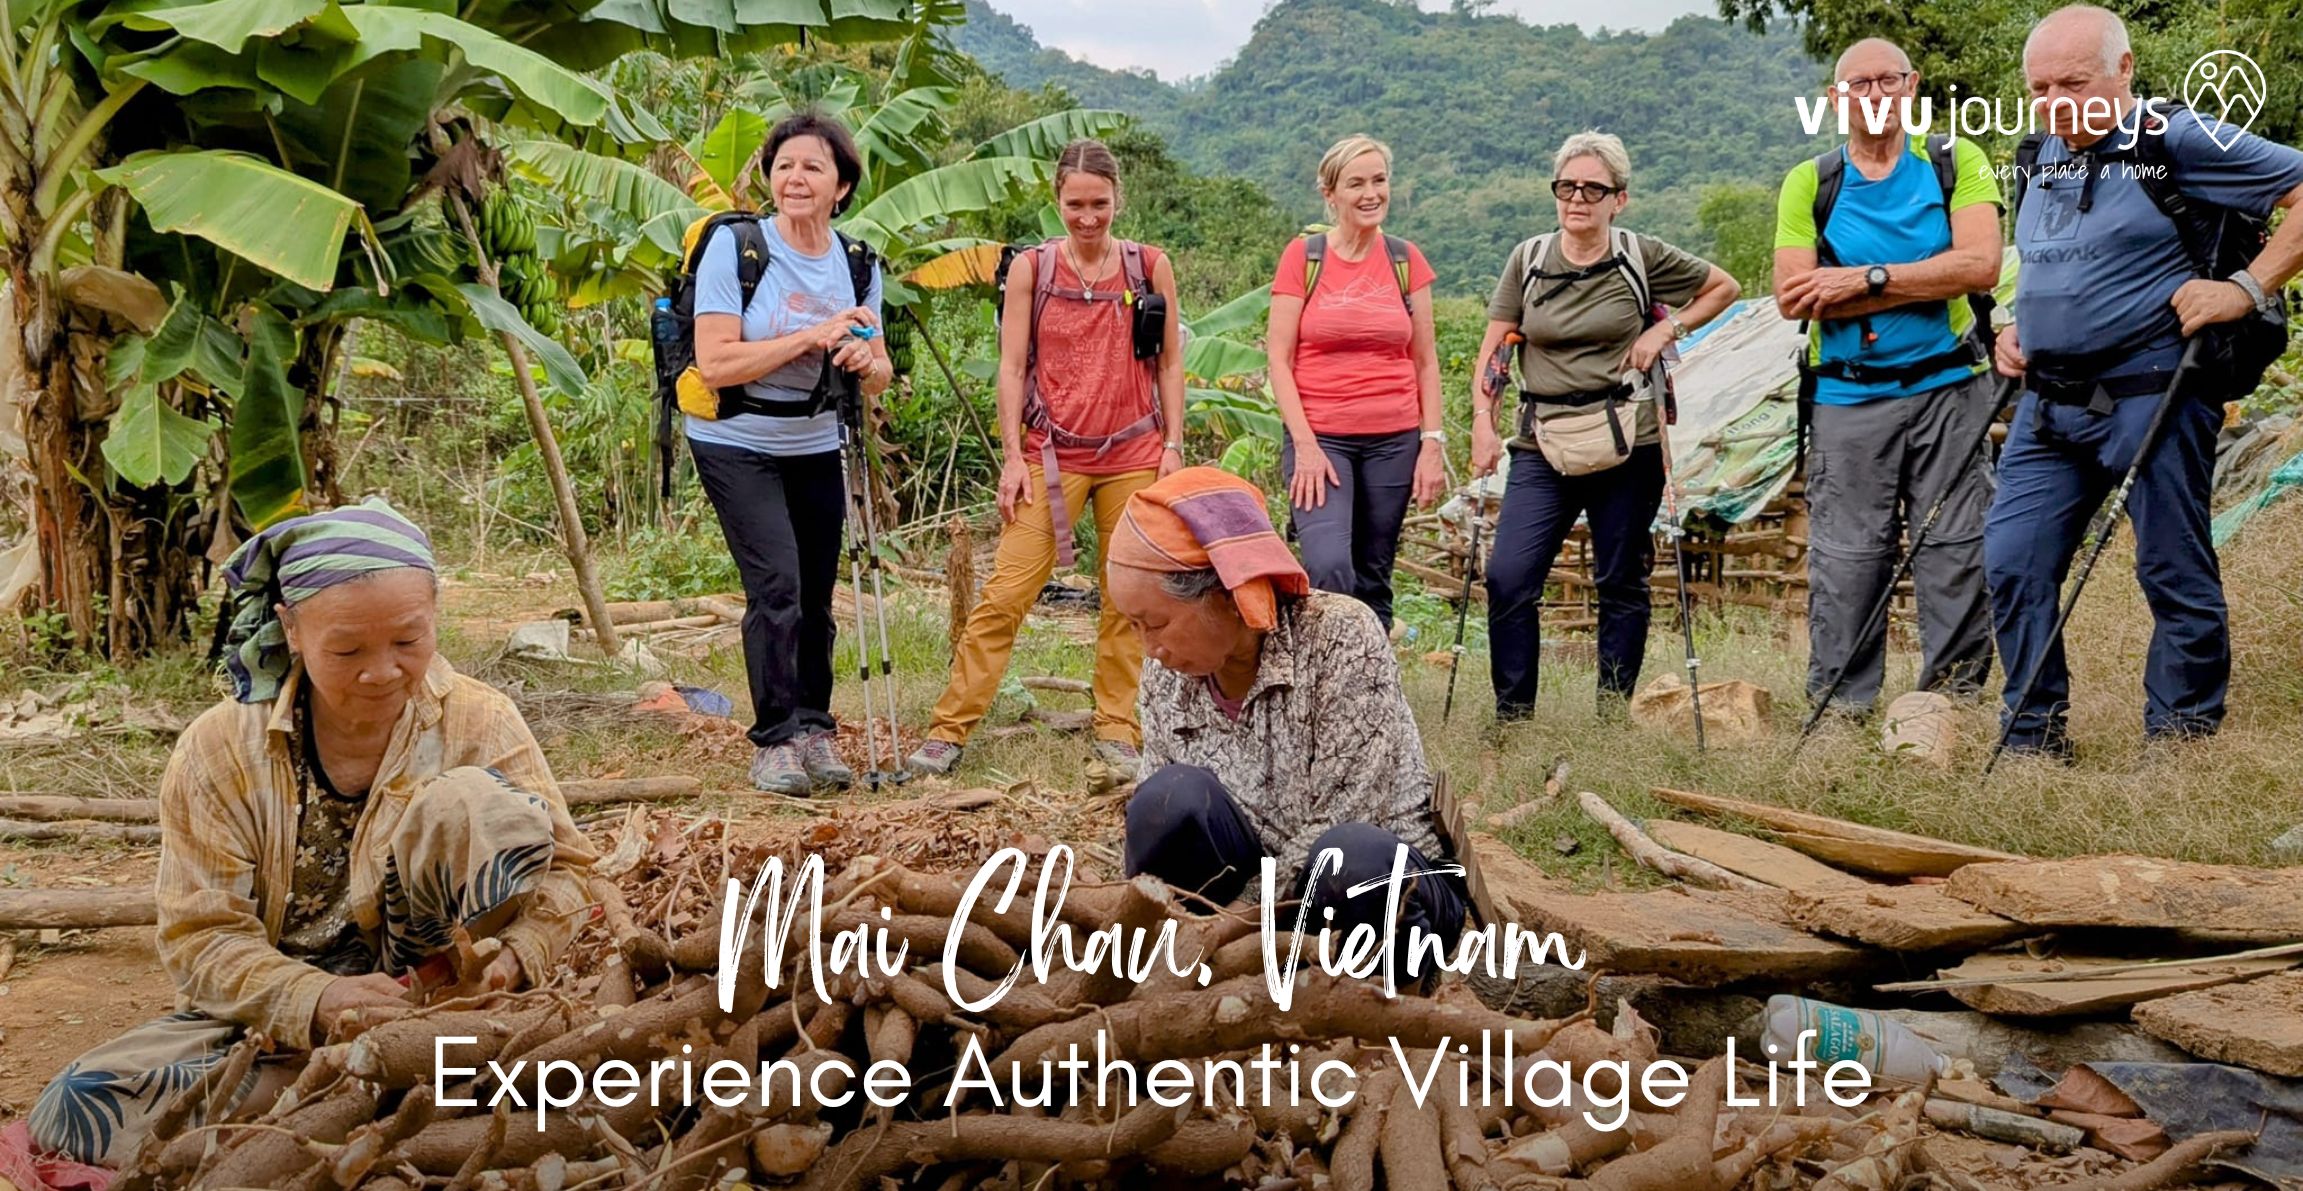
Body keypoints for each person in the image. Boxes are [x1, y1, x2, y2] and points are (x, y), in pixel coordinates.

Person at [28, 501, 594, 1167]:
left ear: (436, 617)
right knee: (76, 1105)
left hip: (457, 999)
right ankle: (372, 1096)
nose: (382, 671)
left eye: (409, 642)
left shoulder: (481, 720)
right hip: (284, 1024)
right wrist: (319, 998)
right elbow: (200, 936)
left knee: (472, 800)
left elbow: (570, 872)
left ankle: (414, 1073)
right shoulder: (219, 749)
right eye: (348, 649)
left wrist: (517, 952)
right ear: (290, 630)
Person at [1984, 5, 2303, 756]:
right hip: (2047, 400)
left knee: (2168, 564)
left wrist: (2245, 288)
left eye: (2072, 82)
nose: (2055, 102)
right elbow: (2043, 258)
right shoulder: (2037, 153)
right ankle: (2031, 741)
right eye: (2038, 87)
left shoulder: (2177, 139)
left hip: (2153, 388)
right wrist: (2015, 324)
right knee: (2010, 561)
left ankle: (2178, 742)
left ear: (2122, 71)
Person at [1108, 467, 1467, 978]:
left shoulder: (1341, 636)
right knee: (1168, 800)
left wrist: (1233, 925)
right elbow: (1161, 820)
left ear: (1230, 596)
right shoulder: (1167, 671)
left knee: (1349, 860)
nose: (1149, 647)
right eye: (1135, 627)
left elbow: (1349, 812)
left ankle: (1374, 998)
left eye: (1158, 624)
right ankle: (1191, 963)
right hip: (1255, 891)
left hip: (1377, 887)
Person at [907, 140, 1186, 780]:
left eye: (1100, 204)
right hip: (1052, 455)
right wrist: (1011, 457)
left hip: (1135, 452)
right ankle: (949, 731)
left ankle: (1118, 727)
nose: (1087, 217)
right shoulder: (1035, 269)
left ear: (1118, 199)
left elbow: (1170, 363)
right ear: (1056, 199)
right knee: (1008, 592)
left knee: (1130, 597)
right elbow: (1010, 368)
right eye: (1074, 204)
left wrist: (1173, 446)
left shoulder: (1149, 268)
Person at [1471, 132, 1740, 721]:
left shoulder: (1639, 256)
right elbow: (1493, 352)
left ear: (1619, 198)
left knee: (1621, 579)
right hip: (1543, 439)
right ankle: (1513, 717)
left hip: (1628, 439)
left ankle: (1610, 714)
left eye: (1594, 189)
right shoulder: (1530, 259)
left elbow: (1724, 287)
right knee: (1509, 576)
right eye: (1567, 187)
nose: (1578, 199)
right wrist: (1482, 424)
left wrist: (1665, 330)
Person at [1774, 38, 2005, 718]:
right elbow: (1792, 296)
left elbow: (1980, 266)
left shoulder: (1952, 161)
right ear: (1835, 100)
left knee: (1957, 547)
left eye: (1887, 81)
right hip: (1846, 397)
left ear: (1910, 88)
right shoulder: (1811, 181)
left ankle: (1948, 710)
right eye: (1858, 85)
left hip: (1949, 388)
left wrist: (1860, 280)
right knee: (1847, 559)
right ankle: (1841, 711)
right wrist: (1923, 280)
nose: (1874, 95)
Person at [688, 110, 892, 794]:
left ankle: (814, 725)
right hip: (735, 440)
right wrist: (811, 336)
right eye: (783, 165)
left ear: (841, 185)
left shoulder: (857, 261)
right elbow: (714, 362)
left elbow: (882, 367)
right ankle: (773, 738)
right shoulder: (737, 248)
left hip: (813, 441)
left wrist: (865, 358)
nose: (794, 177)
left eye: (812, 165)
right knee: (775, 585)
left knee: (813, 593)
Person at [1269, 135, 1446, 629]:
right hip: (1321, 438)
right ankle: (1321, 679)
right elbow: (1278, 361)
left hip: (1394, 440)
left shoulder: (1406, 259)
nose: (1371, 193)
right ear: (1331, 194)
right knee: (1329, 567)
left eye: (1379, 180)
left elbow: (1426, 361)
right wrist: (1304, 445)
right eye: (1356, 184)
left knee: (1374, 574)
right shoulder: (1304, 258)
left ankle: (1371, 693)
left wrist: (1432, 443)